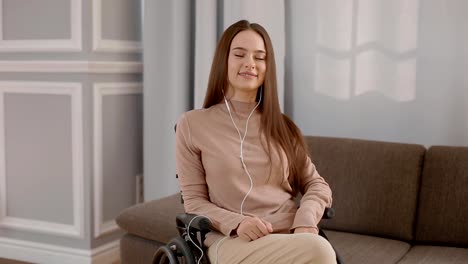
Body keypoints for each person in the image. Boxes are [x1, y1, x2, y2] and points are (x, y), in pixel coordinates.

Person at [175, 19, 336, 264]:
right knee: (321, 252)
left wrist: (305, 220)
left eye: (260, 57)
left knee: (316, 248)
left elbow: (317, 185)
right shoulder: (192, 124)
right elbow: (194, 202)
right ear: (224, 60)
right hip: (232, 241)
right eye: (239, 54)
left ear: (267, 67)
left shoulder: (282, 127)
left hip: (292, 237)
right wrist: (238, 222)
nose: (250, 63)